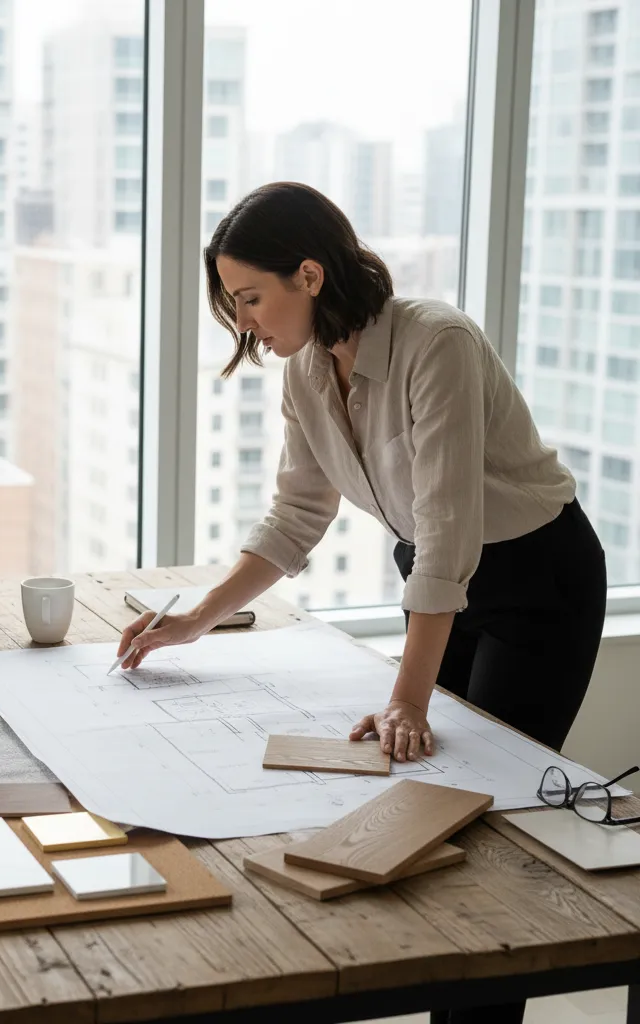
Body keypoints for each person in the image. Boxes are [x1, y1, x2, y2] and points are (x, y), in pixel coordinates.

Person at [116, 182, 606, 1024]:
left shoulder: (435, 342)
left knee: (480, 818)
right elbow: (297, 515)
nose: (246, 325)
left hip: (536, 581)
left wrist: (407, 699)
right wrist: (194, 618)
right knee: (416, 798)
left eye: (251, 299)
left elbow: (452, 528)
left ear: (309, 273)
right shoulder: (306, 374)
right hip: (441, 576)